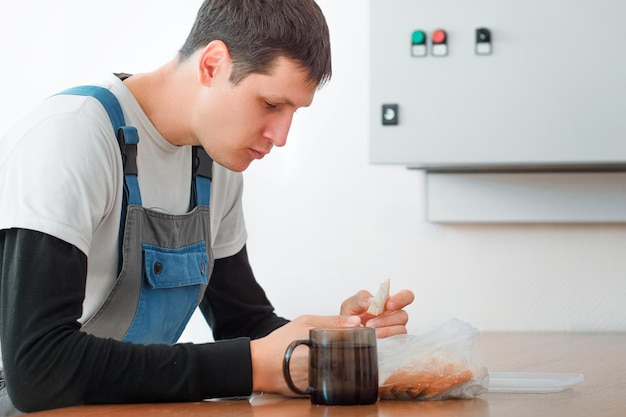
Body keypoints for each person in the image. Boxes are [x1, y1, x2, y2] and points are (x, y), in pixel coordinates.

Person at [0, 0, 415, 415]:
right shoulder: (72, 137)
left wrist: (331, 342)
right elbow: (37, 368)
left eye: (293, 112)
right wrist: (253, 366)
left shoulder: (215, 165)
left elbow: (244, 325)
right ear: (213, 64)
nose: (281, 135)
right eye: (271, 104)